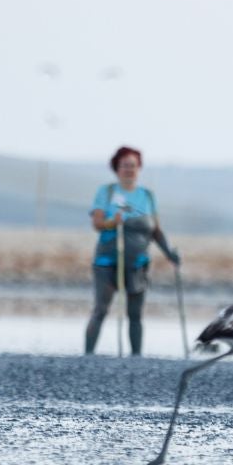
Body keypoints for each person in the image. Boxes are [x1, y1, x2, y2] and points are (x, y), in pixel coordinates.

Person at [85, 146, 179, 355]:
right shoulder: (106, 192)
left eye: (133, 165)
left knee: (135, 314)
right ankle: (87, 357)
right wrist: (112, 222)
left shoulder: (147, 196)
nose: (129, 169)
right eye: (124, 165)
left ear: (139, 168)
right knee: (101, 309)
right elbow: (97, 223)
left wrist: (169, 253)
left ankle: (136, 358)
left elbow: (155, 230)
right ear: (116, 168)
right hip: (107, 261)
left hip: (138, 263)